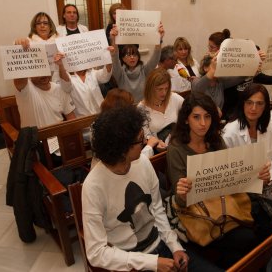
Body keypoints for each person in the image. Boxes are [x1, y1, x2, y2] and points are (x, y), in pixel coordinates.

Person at [82, 105, 216, 271]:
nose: (146, 141)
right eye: (140, 139)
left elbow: (157, 209)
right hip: (129, 263)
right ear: (122, 149)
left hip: (160, 246)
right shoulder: (93, 186)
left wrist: (175, 247)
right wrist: (152, 263)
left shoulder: (143, 163)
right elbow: (96, 253)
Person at [167, 92, 262, 269]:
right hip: (197, 213)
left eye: (207, 117)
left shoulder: (215, 139)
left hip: (223, 204)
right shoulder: (177, 148)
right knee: (248, 239)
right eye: (196, 117)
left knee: (251, 235)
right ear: (186, 119)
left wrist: (256, 175)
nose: (203, 123)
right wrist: (183, 190)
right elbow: (181, 200)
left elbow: (231, 178)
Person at [222, 83, 272, 184]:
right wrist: (256, 180)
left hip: (271, 182)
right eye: (249, 102)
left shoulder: (270, 127)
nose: (253, 108)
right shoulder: (229, 133)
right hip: (242, 189)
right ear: (242, 104)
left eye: (259, 103)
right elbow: (226, 172)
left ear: (265, 106)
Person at [13, 52, 75, 128]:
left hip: (59, 136)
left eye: (45, 69)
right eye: (38, 70)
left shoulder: (59, 89)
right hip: (36, 138)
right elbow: (19, 81)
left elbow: (71, 118)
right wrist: (20, 50)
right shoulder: (26, 88)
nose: (43, 74)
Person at [109, 24, 165, 103]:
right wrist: (114, 40)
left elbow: (155, 58)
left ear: (138, 57)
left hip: (144, 107)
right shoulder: (120, 73)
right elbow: (115, 58)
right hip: (126, 108)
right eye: (128, 55)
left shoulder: (144, 71)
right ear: (123, 59)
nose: (132, 57)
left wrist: (159, 39)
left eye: (134, 54)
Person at [138, 68, 184, 151]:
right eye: (160, 89)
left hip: (180, 144)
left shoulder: (175, 98)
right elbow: (146, 135)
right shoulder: (141, 108)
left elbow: (188, 117)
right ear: (150, 89)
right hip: (158, 150)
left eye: (166, 88)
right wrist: (157, 143)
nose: (164, 93)